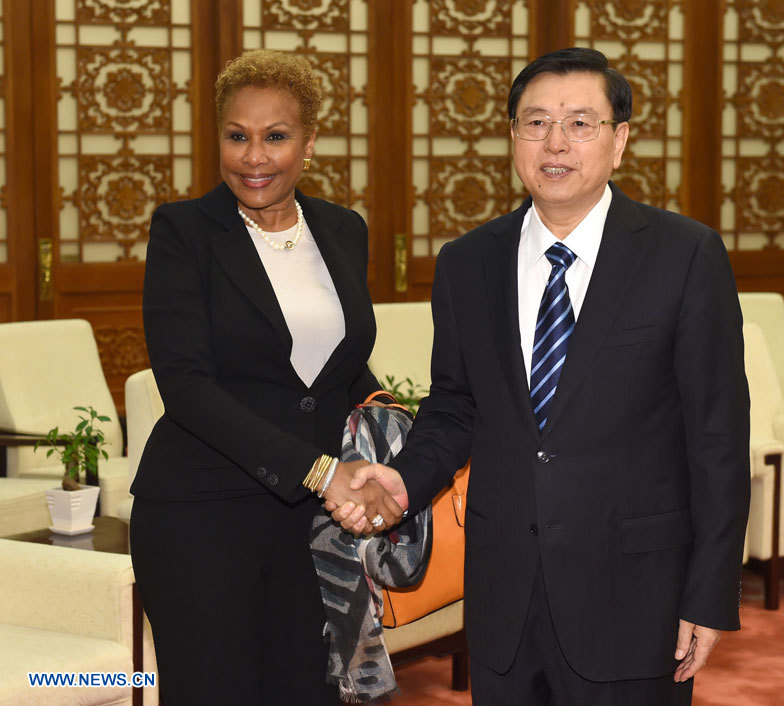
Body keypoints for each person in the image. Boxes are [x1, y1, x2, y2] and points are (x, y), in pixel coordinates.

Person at [331, 48, 750, 705]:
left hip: (636, 597)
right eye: (535, 122)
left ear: (620, 142)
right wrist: (403, 478)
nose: (555, 142)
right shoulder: (468, 263)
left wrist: (710, 593)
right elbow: (456, 408)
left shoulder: (685, 255)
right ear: (513, 138)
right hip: (505, 597)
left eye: (581, 123)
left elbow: (718, 438)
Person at [129, 49, 404, 705]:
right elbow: (188, 389)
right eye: (237, 136)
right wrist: (320, 469)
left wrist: (392, 444)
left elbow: (339, 363)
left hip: (306, 524)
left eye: (275, 136)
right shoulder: (184, 231)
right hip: (200, 514)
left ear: (308, 143)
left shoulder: (342, 229)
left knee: (304, 688)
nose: (253, 157)